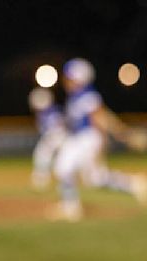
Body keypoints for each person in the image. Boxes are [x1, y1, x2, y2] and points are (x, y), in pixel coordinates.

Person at [49, 58, 147, 221]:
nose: (66, 81)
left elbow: (100, 118)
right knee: (96, 179)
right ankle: (135, 184)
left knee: (63, 166)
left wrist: (113, 138)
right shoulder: (77, 96)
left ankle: (71, 208)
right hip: (83, 138)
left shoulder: (86, 95)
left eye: (70, 77)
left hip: (87, 138)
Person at [28, 87, 67, 191]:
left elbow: (56, 127)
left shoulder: (47, 113)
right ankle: (42, 178)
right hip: (59, 137)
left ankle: (42, 179)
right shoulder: (53, 110)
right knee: (44, 155)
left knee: (42, 154)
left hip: (57, 137)